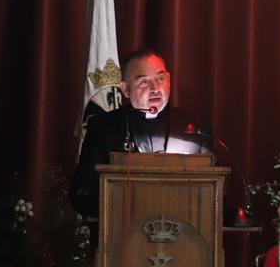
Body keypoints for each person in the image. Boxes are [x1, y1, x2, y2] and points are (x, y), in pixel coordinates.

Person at [70, 48, 211, 218]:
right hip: (122, 231)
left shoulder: (194, 128)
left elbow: (214, 188)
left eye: (160, 79)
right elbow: (81, 193)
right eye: (144, 82)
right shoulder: (103, 127)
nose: (155, 88)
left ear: (169, 79)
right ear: (125, 89)